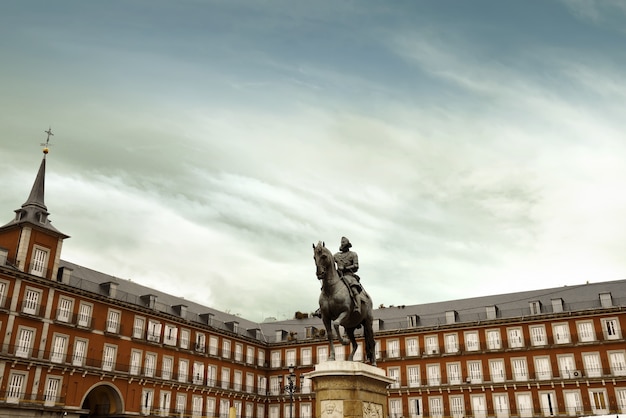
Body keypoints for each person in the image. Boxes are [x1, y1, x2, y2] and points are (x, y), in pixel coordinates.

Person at [334, 237, 366, 314]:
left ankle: (358, 307)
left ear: (348, 245)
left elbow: (356, 266)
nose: (342, 244)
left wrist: (345, 268)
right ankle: (322, 308)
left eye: (344, 243)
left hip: (349, 275)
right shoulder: (336, 255)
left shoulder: (353, 254)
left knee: (354, 289)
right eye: (341, 243)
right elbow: (329, 261)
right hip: (338, 276)